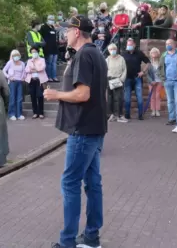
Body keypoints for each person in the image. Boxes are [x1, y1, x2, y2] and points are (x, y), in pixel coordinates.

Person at [44, 14, 107, 248]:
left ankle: (67, 241)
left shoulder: (84, 55)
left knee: (70, 183)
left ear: (77, 32)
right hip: (94, 128)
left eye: (68, 30)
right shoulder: (97, 54)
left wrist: (55, 94)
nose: (65, 34)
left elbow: (83, 94)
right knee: (92, 183)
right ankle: (91, 237)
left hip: (82, 130)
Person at [122, 38, 150, 120]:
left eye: (130, 45)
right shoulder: (123, 54)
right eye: (128, 45)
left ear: (134, 45)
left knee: (139, 97)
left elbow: (148, 62)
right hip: (127, 78)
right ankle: (127, 114)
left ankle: (140, 115)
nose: (129, 46)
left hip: (137, 78)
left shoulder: (139, 53)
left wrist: (143, 72)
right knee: (127, 98)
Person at [159, 39, 177, 125]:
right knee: (170, 101)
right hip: (167, 81)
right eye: (166, 44)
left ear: (174, 44)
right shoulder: (164, 55)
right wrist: (162, 78)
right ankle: (172, 118)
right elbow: (160, 67)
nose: (168, 45)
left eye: (169, 43)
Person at [106, 43, 127, 123]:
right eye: (111, 49)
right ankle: (111, 115)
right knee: (110, 98)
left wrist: (121, 79)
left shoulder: (121, 58)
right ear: (108, 51)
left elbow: (124, 69)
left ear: (116, 49)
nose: (112, 51)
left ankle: (119, 115)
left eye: (114, 49)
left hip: (118, 80)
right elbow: (105, 70)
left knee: (118, 98)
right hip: (109, 80)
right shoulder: (107, 59)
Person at [3, 49, 26, 121]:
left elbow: (24, 72)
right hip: (12, 82)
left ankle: (19, 114)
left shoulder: (22, 63)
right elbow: (4, 70)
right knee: (12, 98)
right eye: (14, 56)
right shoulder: (10, 63)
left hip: (20, 82)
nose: (16, 57)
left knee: (19, 98)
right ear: (12, 56)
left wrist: (23, 77)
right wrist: (9, 77)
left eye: (17, 55)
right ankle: (11, 114)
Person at [25, 47, 48, 119]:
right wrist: (33, 70)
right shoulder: (29, 61)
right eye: (32, 52)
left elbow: (42, 68)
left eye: (35, 52)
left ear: (37, 52)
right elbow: (26, 69)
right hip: (31, 80)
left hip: (40, 80)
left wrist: (35, 69)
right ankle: (35, 112)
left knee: (40, 96)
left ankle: (41, 113)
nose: (34, 53)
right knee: (33, 96)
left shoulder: (42, 60)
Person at [40, 15, 59, 82]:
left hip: (54, 48)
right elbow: (41, 38)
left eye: (53, 19)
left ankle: (54, 76)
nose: (52, 20)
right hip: (48, 48)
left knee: (54, 63)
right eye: (50, 19)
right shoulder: (43, 27)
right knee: (49, 63)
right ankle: (48, 76)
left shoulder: (53, 27)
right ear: (47, 19)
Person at [146, 47, 163, 117]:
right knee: (152, 96)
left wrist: (162, 80)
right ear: (150, 54)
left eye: (155, 52)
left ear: (158, 54)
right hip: (151, 82)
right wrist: (151, 81)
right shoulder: (149, 63)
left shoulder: (160, 62)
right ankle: (153, 110)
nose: (154, 54)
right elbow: (147, 74)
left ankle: (157, 110)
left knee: (158, 96)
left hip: (159, 81)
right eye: (152, 53)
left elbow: (162, 72)